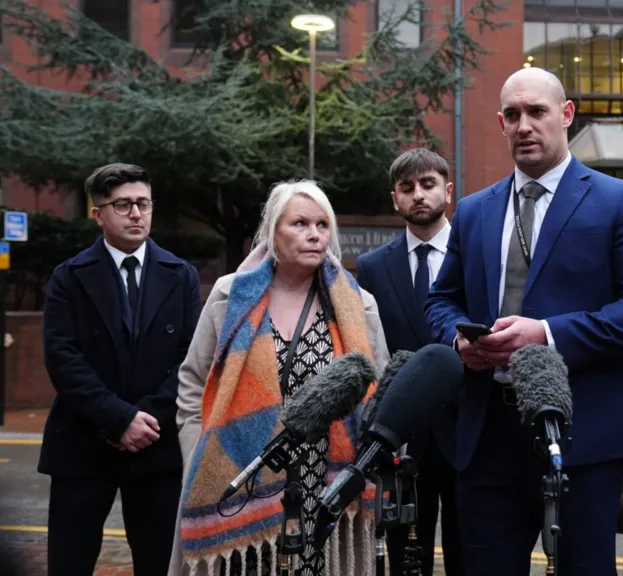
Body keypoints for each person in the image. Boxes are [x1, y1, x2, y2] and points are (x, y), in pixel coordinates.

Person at [424, 67, 623, 575]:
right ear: (500, 123)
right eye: (512, 115)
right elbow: (440, 301)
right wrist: (458, 341)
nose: (524, 125)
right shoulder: (472, 211)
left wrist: (547, 334)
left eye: (537, 111)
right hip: (488, 435)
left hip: (584, 434)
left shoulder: (620, 200)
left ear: (566, 114)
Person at [169, 181, 391, 576]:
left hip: (329, 483)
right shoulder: (230, 296)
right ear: (273, 233)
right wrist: (201, 454)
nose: (314, 234)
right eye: (300, 223)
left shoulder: (359, 304)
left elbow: (380, 397)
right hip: (240, 479)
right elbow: (193, 381)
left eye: (323, 225)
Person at [40, 163, 203, 575]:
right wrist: (118, 419)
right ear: (98, 214)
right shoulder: (68, 277)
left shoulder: (181, 275)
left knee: (159, 566)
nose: (136, 214)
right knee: (70, 563)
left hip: (156, 445)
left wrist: (144, 419)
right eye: (123, 205)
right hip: (82, 444)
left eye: (143, 204)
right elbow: (63, 358)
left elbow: (192, 359)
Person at [356, 148, 463, 575]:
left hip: (465, 431)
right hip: (402, 438)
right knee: (404, 561)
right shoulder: (372, 267)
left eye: (428, 184)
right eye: (407, 187)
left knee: (468, 557)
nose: (418, 194)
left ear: (447, 192)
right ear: (395, 199)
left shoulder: (475, 255)